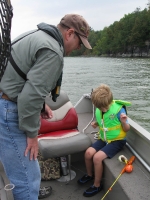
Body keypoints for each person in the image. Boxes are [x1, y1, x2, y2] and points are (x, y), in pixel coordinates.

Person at [0, 14, 92, 200]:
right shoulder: (53, 52)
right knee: (28, 179)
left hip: (4, 101)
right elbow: (30, 96)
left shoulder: (36, 35)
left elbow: (23, 77)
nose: (78, 48)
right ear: (70, 33)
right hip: (10, 111)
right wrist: (32, 135)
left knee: (24, 174)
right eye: (79, 43)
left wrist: (42, 105)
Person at [78, 84, 131, 197]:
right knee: (88, 153)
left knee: (97, 157)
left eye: (104, 107)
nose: (103, 110)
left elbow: (126, 129)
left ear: (110, 101)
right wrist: (96, 123)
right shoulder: (100, 109)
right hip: (104, 139)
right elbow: (104, 120)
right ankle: (89, 175)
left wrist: (123, 122)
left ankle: (97, 185)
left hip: (117, 141)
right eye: (100, 108)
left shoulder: (119, 109)